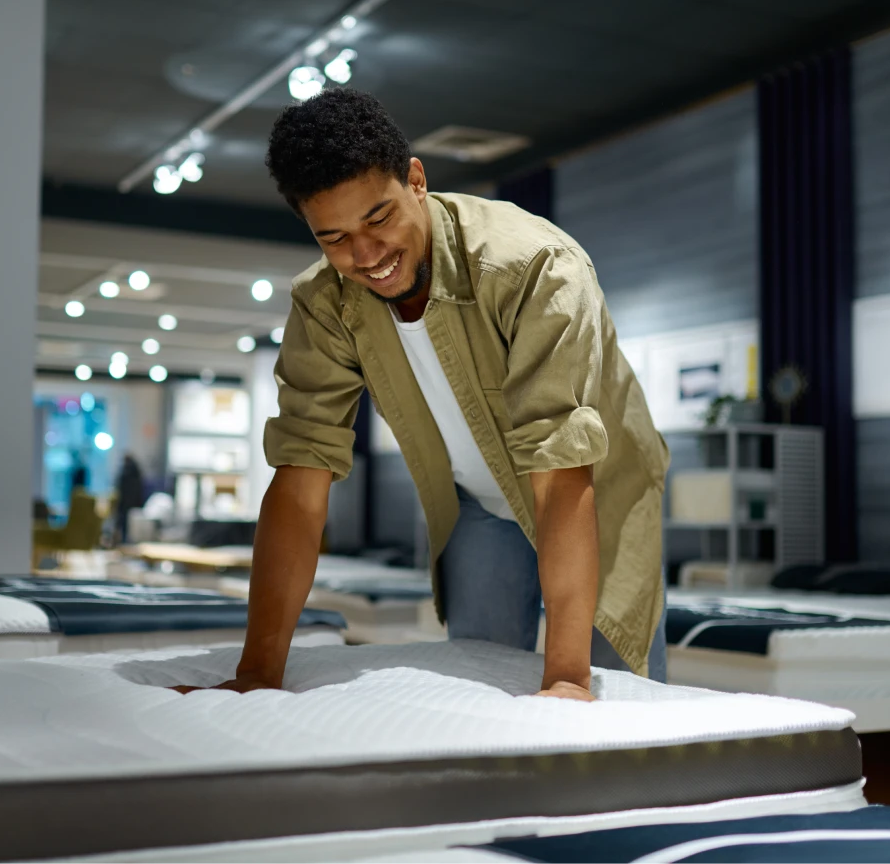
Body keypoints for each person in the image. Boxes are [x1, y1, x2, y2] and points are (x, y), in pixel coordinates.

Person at [183, 89, 669, 701]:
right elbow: (300, 483)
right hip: (472, 504)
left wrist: (568, 680)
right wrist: (257, 674)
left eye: (379, 218)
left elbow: (561, 467)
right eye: (333, 237)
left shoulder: (537, 268)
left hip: (593, 498)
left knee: (610, 700)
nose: (365, 256)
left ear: (416, 179)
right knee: (480, 685)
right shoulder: (325, 302)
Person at [113, 454, 146, 544]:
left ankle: (124, 541)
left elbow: (120, 489)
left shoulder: (126, 473)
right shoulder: (136, 473)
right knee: (128, 526)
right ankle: (125, 541)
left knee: (125, 525)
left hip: (125, 504)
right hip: (133, 503)